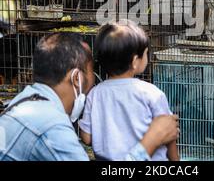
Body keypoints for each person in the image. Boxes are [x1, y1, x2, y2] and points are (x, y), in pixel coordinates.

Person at [0, 32, 179, 161]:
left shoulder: (24, 100)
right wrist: (151, 141)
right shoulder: (51, 126)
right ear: (76, 78)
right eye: (92, 71)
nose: (94, 79)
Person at [79, 20, 180, 161]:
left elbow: (86, 137)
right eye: (145, 54)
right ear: (134, 61)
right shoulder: (151, 93)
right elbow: (169, 133)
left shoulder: (95, 94)